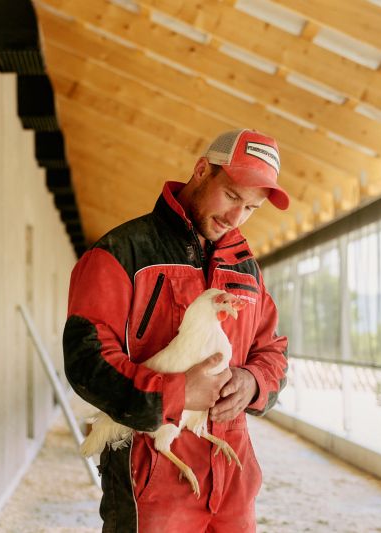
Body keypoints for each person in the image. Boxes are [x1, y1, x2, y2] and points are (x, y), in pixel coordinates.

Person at [63, 129, 289, 532]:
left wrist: (252, 382)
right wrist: (177, 392)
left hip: (231, 473)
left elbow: (273, 352)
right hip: (150, 471)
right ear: (201, 170)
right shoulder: (121, 253)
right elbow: (87, 361)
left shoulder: (246, 268)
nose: (235, 218)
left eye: (251, 208)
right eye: (232, 196)